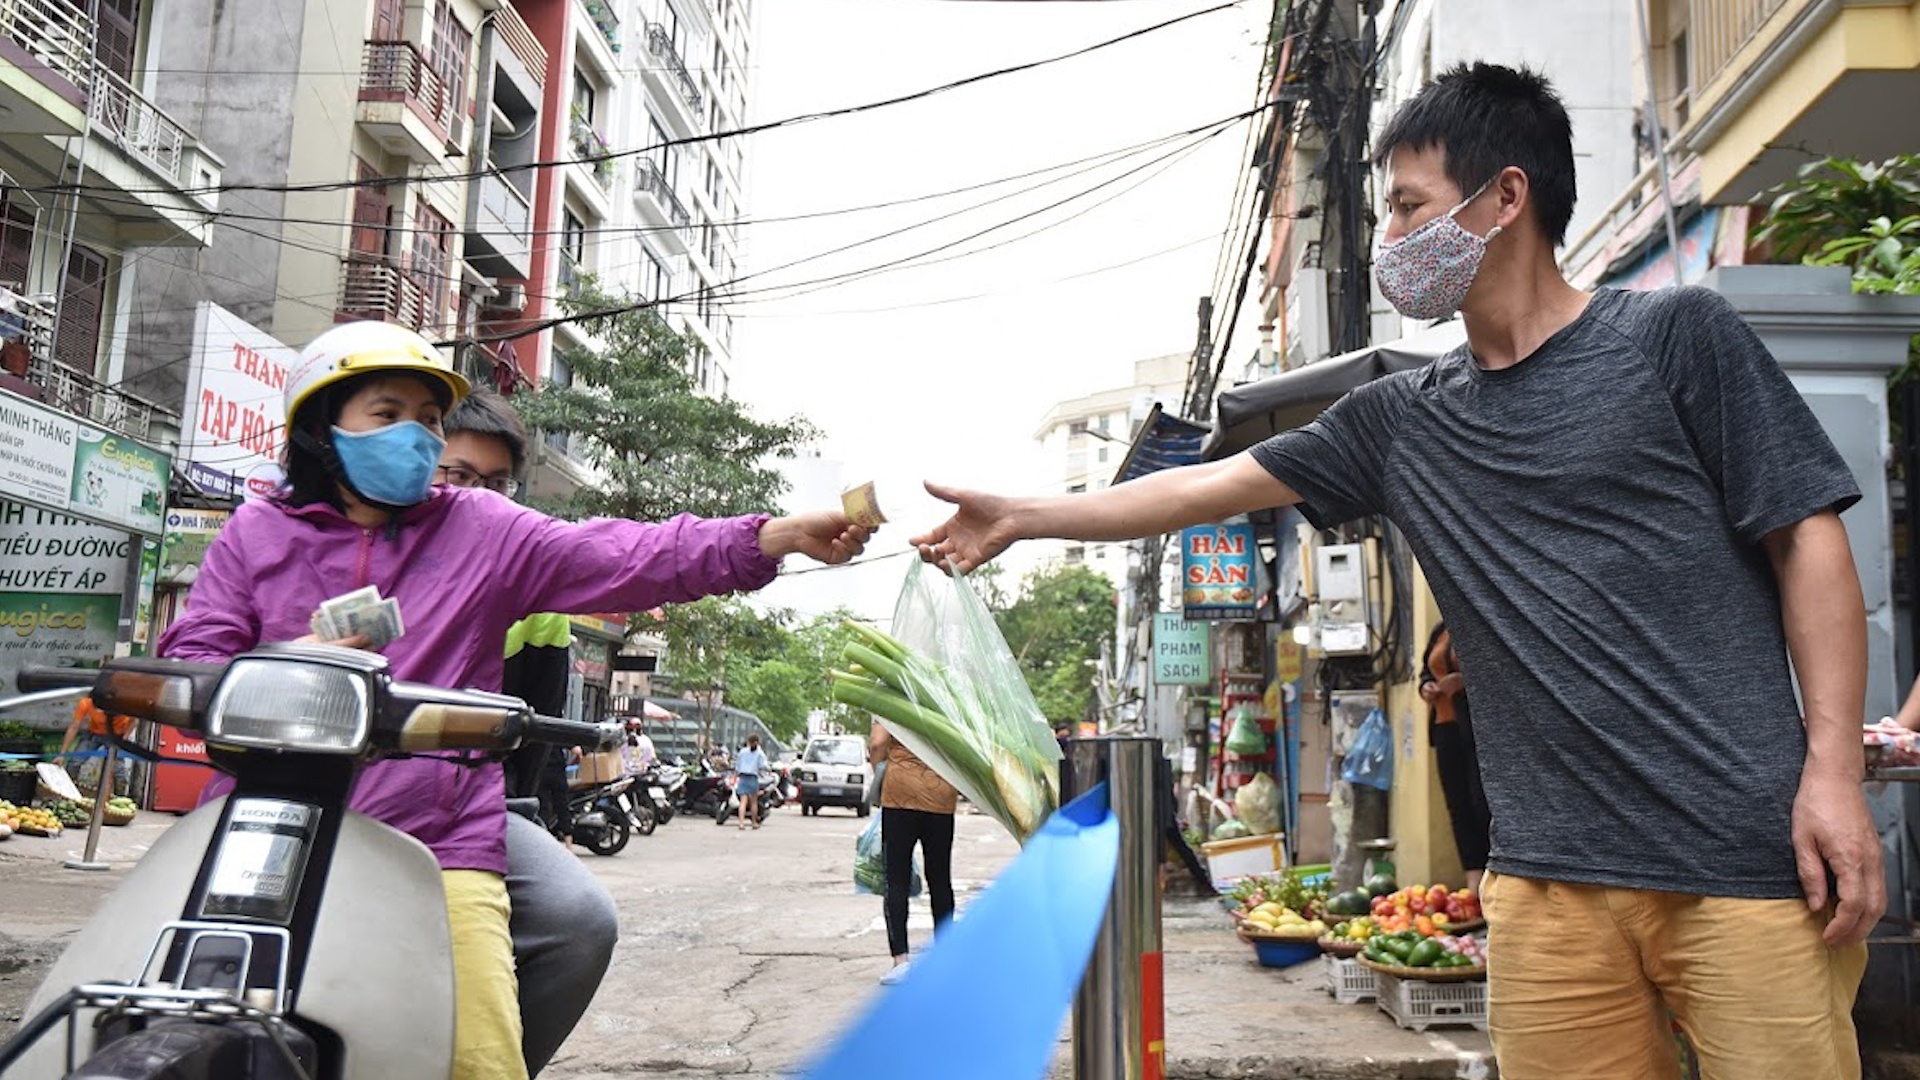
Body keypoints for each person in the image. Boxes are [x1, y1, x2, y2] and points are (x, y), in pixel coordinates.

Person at [911, 62, 1882, 1080]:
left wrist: (1833, 775)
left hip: (1741, 865)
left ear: (1506, 196)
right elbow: (1204, 490)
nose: (1392, 243)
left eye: (1410, 207)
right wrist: (1026, 513)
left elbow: (1806, 539)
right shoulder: (1402, 420)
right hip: (1546, 890)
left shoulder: (1676, 337)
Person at [156, 321, 871, 1080]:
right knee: (160, 1016)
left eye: (428, 420)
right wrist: (283, 663)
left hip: (440, 832)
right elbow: (193, 659)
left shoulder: (482, 528)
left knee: (483, 1055)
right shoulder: (253, 533)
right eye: (386, 413)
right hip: (269, 818)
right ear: (320, 425)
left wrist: (775, 535)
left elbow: (629, 554)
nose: (415, 436)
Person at [439, 388, 612, 1076]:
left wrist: (516, 800)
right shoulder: (294, 528)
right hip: (317, 789)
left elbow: (535, 722)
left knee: (579, 918)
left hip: (463, 798)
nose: (475, 498)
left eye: (495, 484)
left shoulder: (522, 566)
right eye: (457, 476)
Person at [868, 721, 957, 985]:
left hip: (900, 794)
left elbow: (877, 743)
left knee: (896, 879)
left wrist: (880, 771)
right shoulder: (945, 701)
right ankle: (945, 957)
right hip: (941, 793)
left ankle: (901, 961)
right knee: (940, 879)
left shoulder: (892, 694)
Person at [1418, 621, 1488, 894]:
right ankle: (1473, 882)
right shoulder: (1441, 630)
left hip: (1478, 729)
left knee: (1481, 803)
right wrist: (1426, 688)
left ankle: (1494, 879)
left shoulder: (1481, 624)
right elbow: (1426, 671)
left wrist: (1463, 682)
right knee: (1458, 806)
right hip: (1445, 727)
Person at [731, 733, 768, 830]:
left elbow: (737, 766)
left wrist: (736, 775)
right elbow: (763, 766)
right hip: (752, 778)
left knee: (743, 802)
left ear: (748, 742)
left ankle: (741, 823)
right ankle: (754, 822)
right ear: (757, 742)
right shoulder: (759, 753)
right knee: (753, 802)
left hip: (742, 778)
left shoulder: (742, 752)